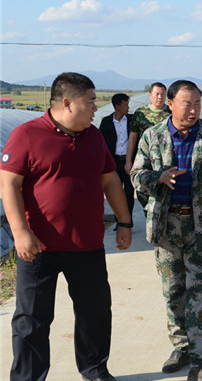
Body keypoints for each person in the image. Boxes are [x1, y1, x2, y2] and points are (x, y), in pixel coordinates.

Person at [0, 72, 132, 381]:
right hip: (39, 247)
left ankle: (95, 369)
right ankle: (28, 377)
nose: (95, 108)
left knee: (95, 312)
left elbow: (110, 180)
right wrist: (20, 232)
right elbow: (9, 184)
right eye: (91, 101)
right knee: (32, 318)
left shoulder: (93, 136)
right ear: (68, 102)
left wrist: (124, 222)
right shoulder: (27, 134)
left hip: (87, 244)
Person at [130, 80, 202, 381]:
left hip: (201, 227)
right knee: (173, 289)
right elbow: (136, 174)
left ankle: (201, 359)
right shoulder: (152, 136)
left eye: (197, 104)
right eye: (187, 104)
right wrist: (158, 178)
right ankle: (181, 347)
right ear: (171, 104)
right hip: (166, 227)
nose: (193, 110)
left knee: (200, 291)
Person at [125, 82, 171, 213]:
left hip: (165, 160)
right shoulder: (141, 113)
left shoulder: (171, 112)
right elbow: (132, 137)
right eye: (157, 94)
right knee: (143, 191)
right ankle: (149, 213)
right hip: (145, 159)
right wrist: (128, 161)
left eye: (163, 94)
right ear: (150, 95)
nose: (160, 97)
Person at [99, 93, 135, 227]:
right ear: (117, 107)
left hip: (129, 162)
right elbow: (101, 143)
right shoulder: (106, 122)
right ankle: (118, 220)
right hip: (114, 163)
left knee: (129, 193)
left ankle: (128, 221)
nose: (128, 107)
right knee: (115, 193)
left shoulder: (132, 120)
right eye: (125, 105)